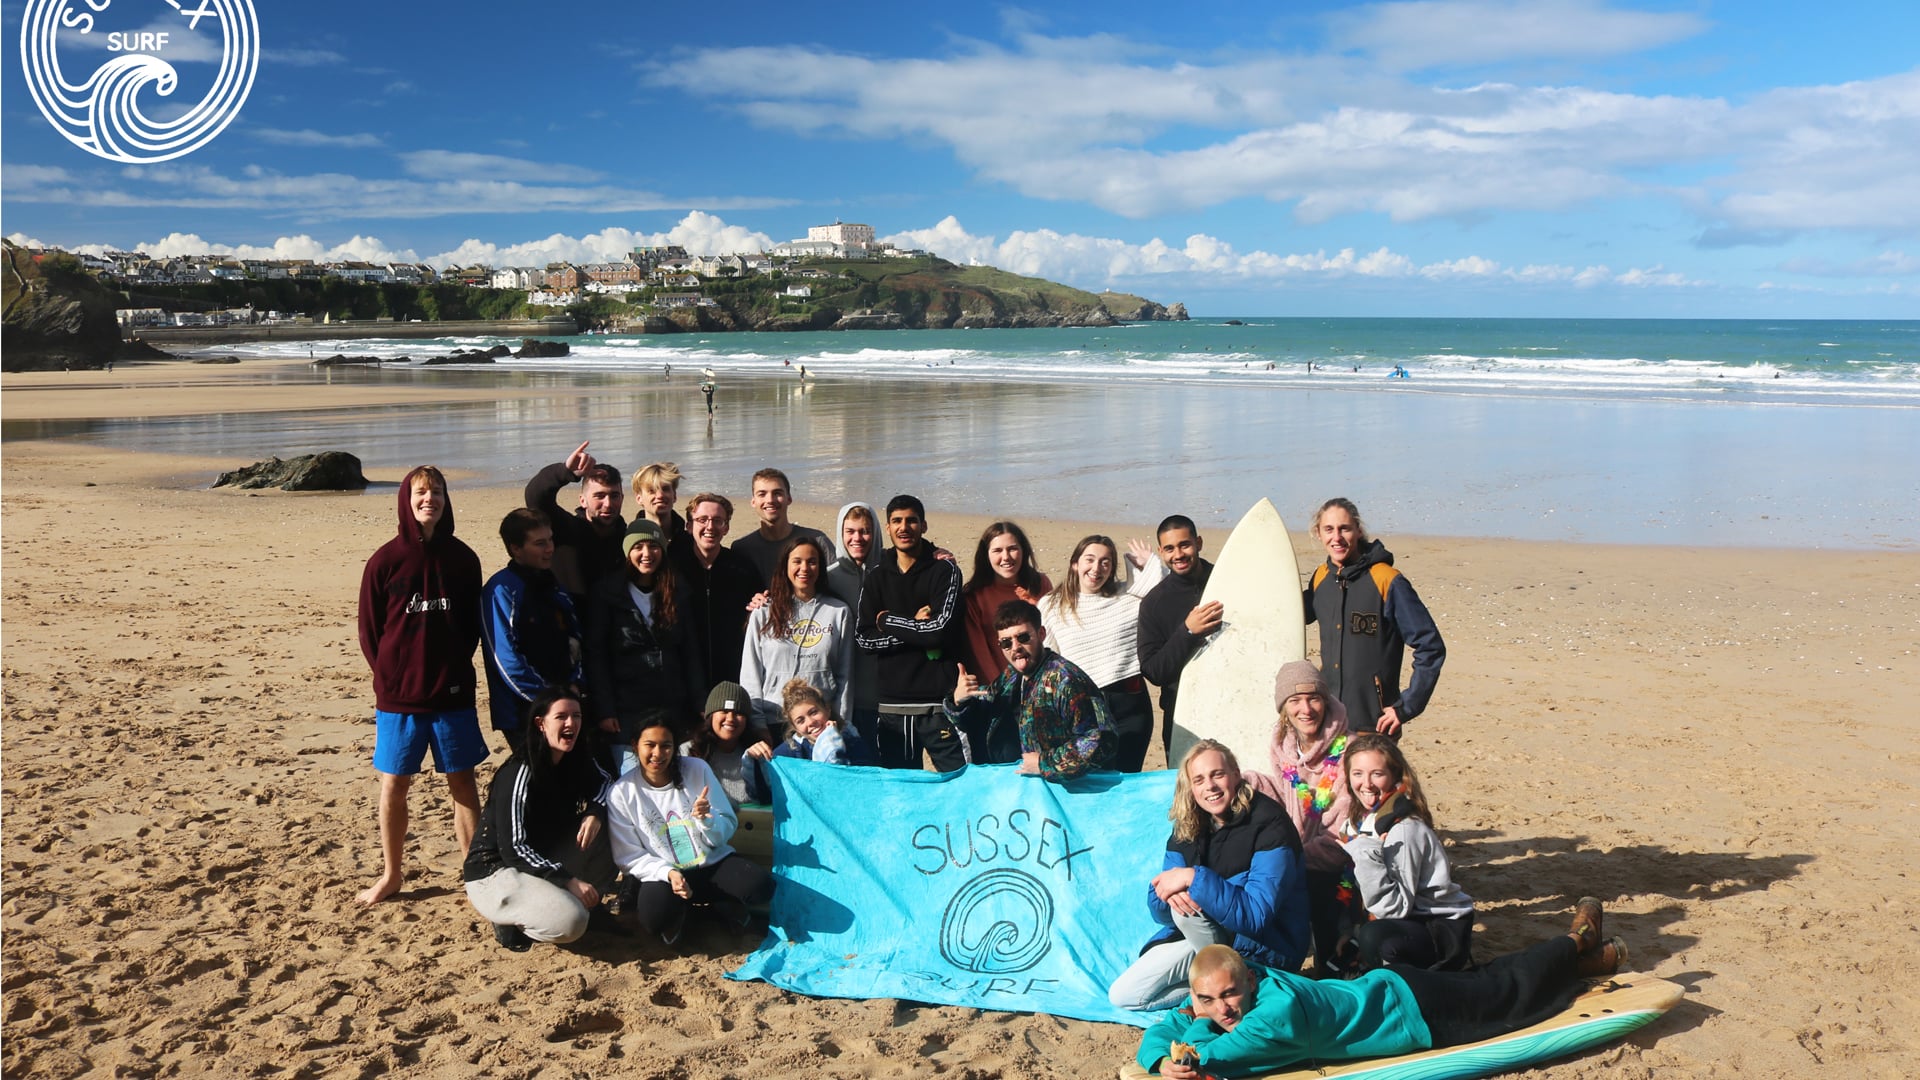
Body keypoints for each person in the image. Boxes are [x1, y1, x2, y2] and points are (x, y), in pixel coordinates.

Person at [1135, 906, 1629, 1078]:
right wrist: (1162, 1058)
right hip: (1391, 989)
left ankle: (1574, 942)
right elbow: (1165, 1031)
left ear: (1249, 981)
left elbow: (1209, 1056)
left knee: (1505, 993)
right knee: (1489, 979)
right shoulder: (1249, 983)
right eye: (1207, 1000)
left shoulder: (1275, 1014)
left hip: (1412, 1013)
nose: (1222, 1009)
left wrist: (1183, 1044)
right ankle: (1593, 959)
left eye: (1229, 996)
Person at [355, 465, 485, 906]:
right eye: (421, 492)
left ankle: (473, 872)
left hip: (451, 694)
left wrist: (448, 670)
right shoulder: (384, 562)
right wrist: (391, 676)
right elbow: (370, 632)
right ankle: (392, 874)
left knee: (462, 782)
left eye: (437, 492)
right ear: (406, 500)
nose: (429, 499)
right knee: (395, 784)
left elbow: (472, 628)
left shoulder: (464, 559)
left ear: (447, 500)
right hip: (399, 697)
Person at [1109, 739, 1310, 1012]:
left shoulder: (1269, 824)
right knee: (1124, 995)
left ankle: (1227, 991)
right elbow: (1161, 914)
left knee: (1186, 912)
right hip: (1201, 938)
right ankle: (1209, 994)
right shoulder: (1188, 826)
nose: (1210, 787)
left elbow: (1256, 916)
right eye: (1199, 780)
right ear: (1190, 787)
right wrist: (1168, 893)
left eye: (1218, 775)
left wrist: (1194, 878)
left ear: (1236, 775)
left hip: (1264, 947)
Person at [463, 690, 616, 951]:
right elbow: (514, 849)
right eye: (561, 717)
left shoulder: (576, 758)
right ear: (541, 724)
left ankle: (587, 904)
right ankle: (510, 921)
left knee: (611, 823)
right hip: (498, 871)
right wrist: (568, 880)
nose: (571, 724)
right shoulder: (520, 772)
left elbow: (607, 784)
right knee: (572, 922)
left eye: (576, 716)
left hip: (542, 858)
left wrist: (595, 812)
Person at [607, 719, 775, 945]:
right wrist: (667, 873)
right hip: (665, 876)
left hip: (710, 864)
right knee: (653, 919)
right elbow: (628, 855)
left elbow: (726, 826)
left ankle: (720, 908)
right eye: (650, 745)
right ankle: (685, 914)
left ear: (675, 747)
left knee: (760, 886)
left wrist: (707, 820)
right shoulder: (621, 792)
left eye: (666, 745)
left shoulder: (697, 769)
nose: (658, 753)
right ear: (635, 745)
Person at [1304, 498, 1446, 738]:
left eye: (1344, 528)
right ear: (1318, 533)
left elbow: (1430, 646)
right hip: (1328, 724)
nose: (1336, 538)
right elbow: (1290, 615)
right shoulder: (1321, 578)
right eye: (1329, 529)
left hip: (1373, 725)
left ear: (1358, 531)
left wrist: (1406, 707)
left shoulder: (1386, 580)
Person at [1338, 733, 1475, 972]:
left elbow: (1396, 908)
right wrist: (1350, 932)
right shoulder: (1359, 821)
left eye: (1377, 774)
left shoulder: (1404, 830)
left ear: (1394, 776)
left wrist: (1364, 855)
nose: (1366, 784)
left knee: (1375, 938)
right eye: (1357, 774)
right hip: (1404, 919)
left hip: (1438, 928)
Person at [855, 495, 971, 771]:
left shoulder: (946, 570)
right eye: (897, 521)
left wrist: (889, 620)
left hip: (939, 703)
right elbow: (863, 638)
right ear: (888, 527)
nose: (904, 527)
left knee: (961, 782)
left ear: (924, 526)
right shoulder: (875, 576)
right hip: (892, 705)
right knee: (901, 790)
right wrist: (912, 626)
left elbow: (939, 631)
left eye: (911, 521)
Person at [583, 520, 704, 776]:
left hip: (673, 704)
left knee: (679, 777)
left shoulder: (678, 589)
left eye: (653, 546)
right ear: (628, 551)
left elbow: (691, 652)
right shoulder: (607, 592)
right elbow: (596, 655)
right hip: (626, 709)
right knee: (632, 779)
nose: (647, 554)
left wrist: (699, 702)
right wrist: (605, 709)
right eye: (638, 547)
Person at [946, 599, 1117, 780]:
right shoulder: (1011, 676)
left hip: (1063, 794)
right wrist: (959, 700)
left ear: (1041, 634)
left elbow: (1101, 740)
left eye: (1023, 638)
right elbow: (987, 709)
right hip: (1019, 789)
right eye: (1006, 643)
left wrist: (1045, 763)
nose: (1016, 647)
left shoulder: (1065, 680)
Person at [1039, 534, 1164, 772]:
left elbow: (1167, 595)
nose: (1096, 568)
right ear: (1075, 563)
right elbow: (1048, 660)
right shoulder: (1052, 605)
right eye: (1090, 560)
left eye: (1105, 562)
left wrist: (1151, 562)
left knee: (1125, 781)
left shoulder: (1129, 597)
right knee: (1087, 780)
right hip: (1081, 704)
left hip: (1130, 703)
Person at [479, 508, 583, 739]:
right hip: (524, 712)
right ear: (516, 549)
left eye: (550, 540)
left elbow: (575, 639)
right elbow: (505, 659)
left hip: (563, 704)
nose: (550, 549)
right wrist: (547, 699)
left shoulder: (553, 586)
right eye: (539, 543)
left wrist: (574, 686)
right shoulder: (501, 590)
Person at [739, 534, 854, 737]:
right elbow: (750, 674)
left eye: (812, 562)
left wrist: (840, 720)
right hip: (773, 719)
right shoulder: (764, 612)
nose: (805, 568)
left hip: (819, 723)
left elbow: (845, 674)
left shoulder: (838, 611)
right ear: (785, 566)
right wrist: (757, 724)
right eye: (797, 561)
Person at [1137, 515, 1224, 757]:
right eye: (1169, 548)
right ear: (1160, 552)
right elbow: (1153, 670)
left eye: (1184, 545)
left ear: (1198, 542)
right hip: (1183, 713)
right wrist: (1187, 632)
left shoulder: (1226, 582)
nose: (1178, 554)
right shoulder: (1154, 603)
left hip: (1231, 701)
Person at [668, 492, 761, 685]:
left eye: (718, 521)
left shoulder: (743, 567)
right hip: (684, 676)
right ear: (689, 526)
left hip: (733, 673)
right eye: (702, 520)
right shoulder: (673, 568)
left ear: (726, 527)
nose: (710, 527)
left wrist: (760, 603)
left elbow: (759, 610)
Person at [524, 441, 627, 603]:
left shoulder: (629, 542)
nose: (608, 504)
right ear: (583, 500)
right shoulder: (565, 529)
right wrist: (565, 471)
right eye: (599, 496)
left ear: (622, 498)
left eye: (614, 496)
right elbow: (536, 496)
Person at [960, 521, 1053, 684]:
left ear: (1023, 551)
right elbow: (980, 653)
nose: (1006, 557)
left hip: (1042, 682)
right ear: (986, 555)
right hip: (1000, 685)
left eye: (1012, 549)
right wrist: (1002, 690)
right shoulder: (974, 596)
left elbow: (1050, 638)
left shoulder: (1040, 584)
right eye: (997, 550)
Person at [824, 501, 884, 752]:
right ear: (841, 533)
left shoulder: (889, 572)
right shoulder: (827, 577)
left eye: (864, 531)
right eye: (850, 531)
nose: (857, 538)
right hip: (843, 698)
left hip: (885, 695)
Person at [731, 468, 835, 587]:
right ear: (753, 502)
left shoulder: (817, 541)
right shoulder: (742, 549)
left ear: (789, 499)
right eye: (762, 494)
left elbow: (838, 583)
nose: (770, 500)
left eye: (777, 493)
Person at [682, 681, 775, 807]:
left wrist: (756, 764)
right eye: (724, 711)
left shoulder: (757, 750)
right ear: (710, 716)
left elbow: (770, 796)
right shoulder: (687, 751)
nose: (730, 718)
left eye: (738, 713)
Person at [773, 677, 874, 765]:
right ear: (796, 728)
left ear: (827, 710)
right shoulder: (792, 751)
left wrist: (832, 746)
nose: (810, 722)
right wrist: (758, 752)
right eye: (800, 721)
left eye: (813, 712)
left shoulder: (852, 741)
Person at [631, 461, 688, 554]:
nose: (660, 495)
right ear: (639, 498)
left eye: (665, 489)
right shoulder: (630, 541)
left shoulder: (690, 544)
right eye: (652, 490)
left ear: (674, 495)